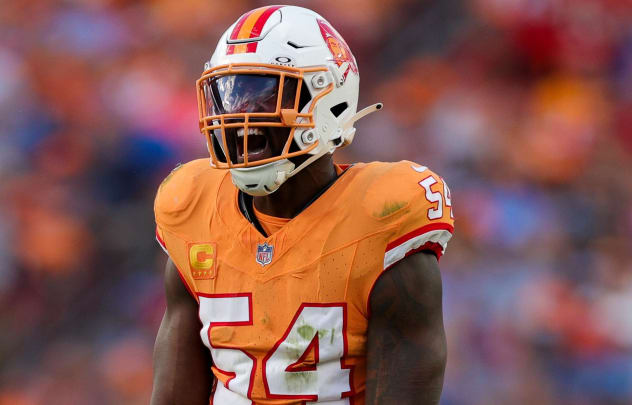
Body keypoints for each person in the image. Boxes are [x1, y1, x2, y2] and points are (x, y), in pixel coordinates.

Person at [150, 5, 455, 405]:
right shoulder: (193, 205)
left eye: (261, 96)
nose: (239, 117)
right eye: (230, 96)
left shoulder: (383, 218)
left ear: (329, 103)